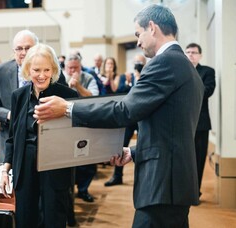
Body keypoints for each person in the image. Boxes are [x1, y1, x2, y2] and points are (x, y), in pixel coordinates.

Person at [34, 4, 205, 227]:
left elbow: (125, 110)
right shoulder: (185, 66)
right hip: (172, 181)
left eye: (138, 34)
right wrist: (133, 152)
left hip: (163, 184)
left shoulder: (165, 62)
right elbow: (170, 131)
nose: (138, 42)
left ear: (152, 27)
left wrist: (68, 108)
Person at [0, 43, 78, 228]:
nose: (41, 75)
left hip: (55, 167)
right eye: (36, 70)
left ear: (53, 70)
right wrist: (5, 170)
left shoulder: (67, 95)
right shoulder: (18, 96)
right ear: (27, 69)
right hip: (24, 167)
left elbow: (75, 136)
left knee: (53, 219)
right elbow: (12, 139)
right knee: (25, 219)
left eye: (46, 69)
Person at [105, 54, 146, 187]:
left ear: (145, 63)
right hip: (129, 118)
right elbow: (119, 92)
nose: (137, 64)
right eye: (135, 62)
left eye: (140, 62)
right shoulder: (126, 77)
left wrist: (140, 78)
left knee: (143, 147)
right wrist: (129, 83)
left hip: (142, 119)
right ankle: (117, 176)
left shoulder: (148, 75)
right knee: (120, 145)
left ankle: (142, 178)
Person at [64, 53, 99, 203]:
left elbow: (94, 98)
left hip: (85, 122)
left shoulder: (88, 77)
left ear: (80, 66)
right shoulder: (58, 77)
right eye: (70, 68)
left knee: (87, 160)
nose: (72, 71)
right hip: (65, 124)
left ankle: (83, 190)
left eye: (75, 68)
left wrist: (77, 85)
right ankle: (68, 191)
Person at [185, 42, 216, 198]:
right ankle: (185, 190)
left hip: (201, 123)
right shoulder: (180, 70)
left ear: (200, 55)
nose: (191, 55)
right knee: (184, 158)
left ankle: (195, 192)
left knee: (199, 158)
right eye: (188, 52)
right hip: (183, 122)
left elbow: (207, 91)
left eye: (194, 52)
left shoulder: (208, 72)